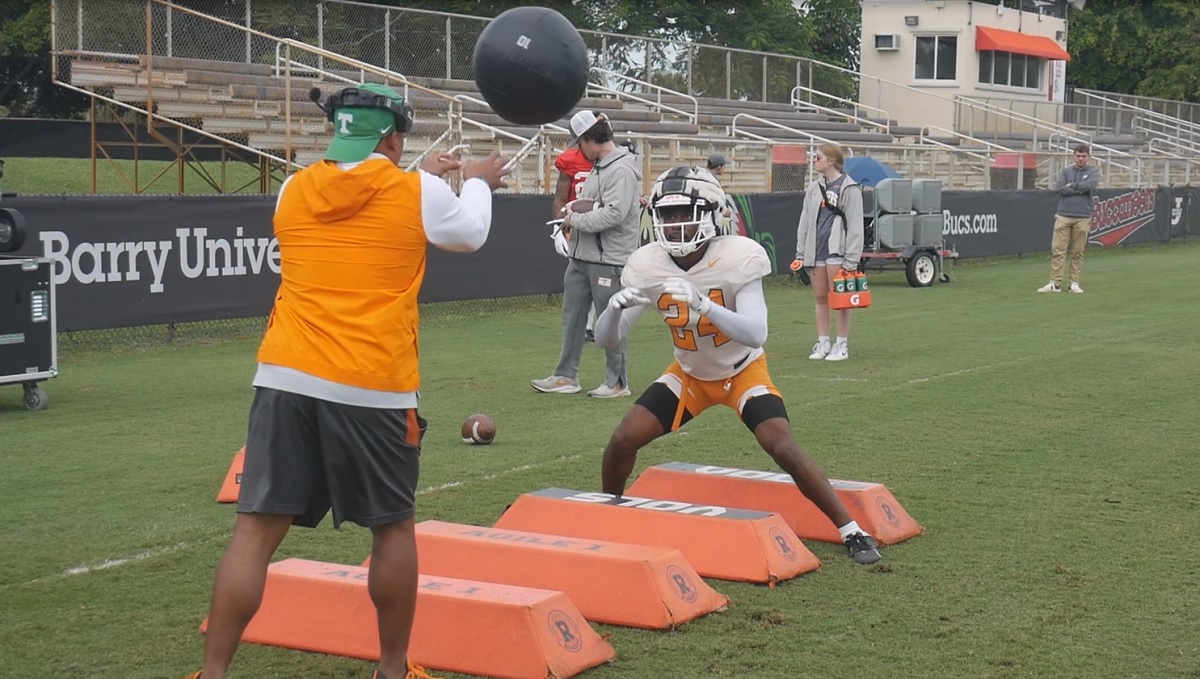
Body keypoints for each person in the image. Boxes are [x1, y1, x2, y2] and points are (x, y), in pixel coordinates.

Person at [188, 83, 508, 679]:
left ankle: (212, 674)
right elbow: (469, 233)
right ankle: (391, 669)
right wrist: (481, 181)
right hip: (374, 383)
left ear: (337, 129)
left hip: (285, 374)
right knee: (392, 528)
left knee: (254, 532)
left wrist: (418, 175)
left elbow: (359, 188)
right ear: (391, 135)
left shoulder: (291, 188)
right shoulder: (420, 190)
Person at [593, 165, 882, 566]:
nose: (676, 223)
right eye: (668, 214)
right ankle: (610, 513)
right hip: (689, 375)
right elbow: (609, 339)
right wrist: (610, 311)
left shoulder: (737, 256)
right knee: (623, 438)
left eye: (686, 212)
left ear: (713, 213)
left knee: (780, 444)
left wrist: (704, 304)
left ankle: (851, 529)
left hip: (741, 370)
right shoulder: (647, 264)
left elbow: (757, 332)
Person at [531, 110, 642, 398]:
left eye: (579, 142)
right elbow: (594, 204)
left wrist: (574, 220)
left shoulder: (620, 168)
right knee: (573, 317)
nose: (577, 148)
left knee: (609, 320)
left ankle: (617, 382)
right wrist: (574, 211)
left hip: (608, 258)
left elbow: (615, 214)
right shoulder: (601, 165)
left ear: (589, 139)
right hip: (583, 254)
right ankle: (565, 375)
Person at [790, 143, 864, 362]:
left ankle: (841, 344)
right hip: (816, 250)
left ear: (831, 160)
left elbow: (855, 226)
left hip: (837, 250)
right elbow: (804, 221)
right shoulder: (814, 188)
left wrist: (851, 260)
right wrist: (801, 252)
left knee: (840, 298)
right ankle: (823, 342)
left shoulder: (849, 188)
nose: (815, 160)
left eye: (819, 157)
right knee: (820, 298)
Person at [549, 144, 596, 340]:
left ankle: (588, 326)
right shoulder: (570, 159)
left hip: (601, 225)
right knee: (580, 277)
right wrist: (557, 228)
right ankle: (580, 326)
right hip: (575, 227)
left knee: (599, 278)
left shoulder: (611, 159)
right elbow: (560, 198)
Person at [1038, 143, 1098, 294]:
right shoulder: (1066, 171)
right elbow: (1060, 188)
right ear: (1073, 156)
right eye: (1078, 156)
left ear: (1088, 157)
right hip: (1063, 214)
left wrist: (1073, 186)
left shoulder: (1092, 172)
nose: (1080, 159)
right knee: (1058, 250)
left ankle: (1074, 283)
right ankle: (1055, 283)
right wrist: (1079, 189)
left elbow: (1090, 185)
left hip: (1083, 216)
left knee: (1077, 252)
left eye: (1083, 156)